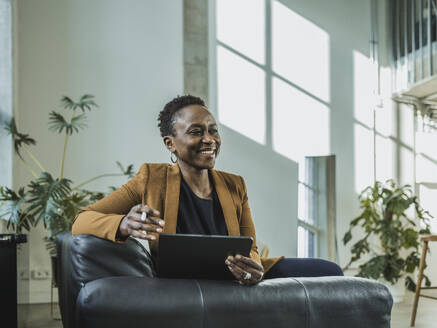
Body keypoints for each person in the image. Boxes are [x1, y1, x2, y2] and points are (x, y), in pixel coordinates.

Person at [72, 95, 342, 285]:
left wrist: (254, 267)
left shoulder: (234, 184)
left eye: (213, 130)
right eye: (196, 131)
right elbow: (81, 220)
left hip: (236, 277)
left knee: (328, 270)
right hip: (183, 281)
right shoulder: (151, 178)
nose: (209, 139)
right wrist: (124, 224)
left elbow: (251, 245)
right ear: (170, 143)